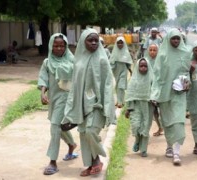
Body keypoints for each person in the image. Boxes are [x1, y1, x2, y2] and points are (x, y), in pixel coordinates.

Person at [62, 28, 115, 176]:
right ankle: (91, 165)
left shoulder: (102, 60)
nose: (93, 43)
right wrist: (72, 108)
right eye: (90, 40)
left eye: (95, 40)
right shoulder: (78, 61)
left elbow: (108, 85)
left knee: (91, 131)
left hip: (97, 105)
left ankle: (97, 159)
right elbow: (75, 87)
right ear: (83, 42)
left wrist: (108, 106)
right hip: (82, 105)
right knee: (84, 134)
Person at [37, 33, 78, 175]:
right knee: (60, 127)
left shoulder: (73, 61)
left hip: (68, 99)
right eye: (56, 45)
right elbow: (43, 79)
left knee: (55, 127)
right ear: (51, 46)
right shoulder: (47, 62)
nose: (59, 48)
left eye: (62, 45)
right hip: (54, 99)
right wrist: (43, 93)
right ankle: (72, 145)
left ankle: (52, 162)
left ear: (66, 46)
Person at [151, 28, 191, 166]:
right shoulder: (162, 55)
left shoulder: (186, 53)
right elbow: (156, 76)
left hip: (179, 94)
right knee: (167, 122)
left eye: (178, 38)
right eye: (173, 38)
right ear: (168, 39)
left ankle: (177, 152)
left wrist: (187, 83)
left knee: (179, 121)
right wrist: (155, 94)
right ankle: (169, 146)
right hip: (164, 93)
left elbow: (188, 72)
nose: (175, 41)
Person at [125, 58, 154, 157]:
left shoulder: (151, 78)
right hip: (136, 105)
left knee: (145, 127)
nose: (143, 68)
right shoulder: (133, 79)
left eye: (145, 66)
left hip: (148, 106)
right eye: (141, 66)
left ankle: (143, 149)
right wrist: (128, 109)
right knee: (136, 125)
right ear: (137, 67)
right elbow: (130, 94)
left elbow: (155, 92)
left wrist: (155, 102)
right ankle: (137, 140)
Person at [144, 43, 163, 136]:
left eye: (154, 50)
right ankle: (160, 127)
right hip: (149, 89)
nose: (152, 52)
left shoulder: (161, 61)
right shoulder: (145, 62)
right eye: (150, 50)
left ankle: (164, 127)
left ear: (158, 51)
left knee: (161, 110)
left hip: (159, 89)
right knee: (153, 111)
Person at [110, 36, 133, 108]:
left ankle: (120, 102)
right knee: (118, 86)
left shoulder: (126, 52)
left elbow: (128, 63)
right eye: (118, 43)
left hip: (123, 71)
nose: (120, 44)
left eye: (121, 43)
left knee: (121, 86)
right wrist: (110, 71)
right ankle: (121, 100)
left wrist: (130, 70)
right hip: (116, 71)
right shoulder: (114, 53)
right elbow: (112, 63)